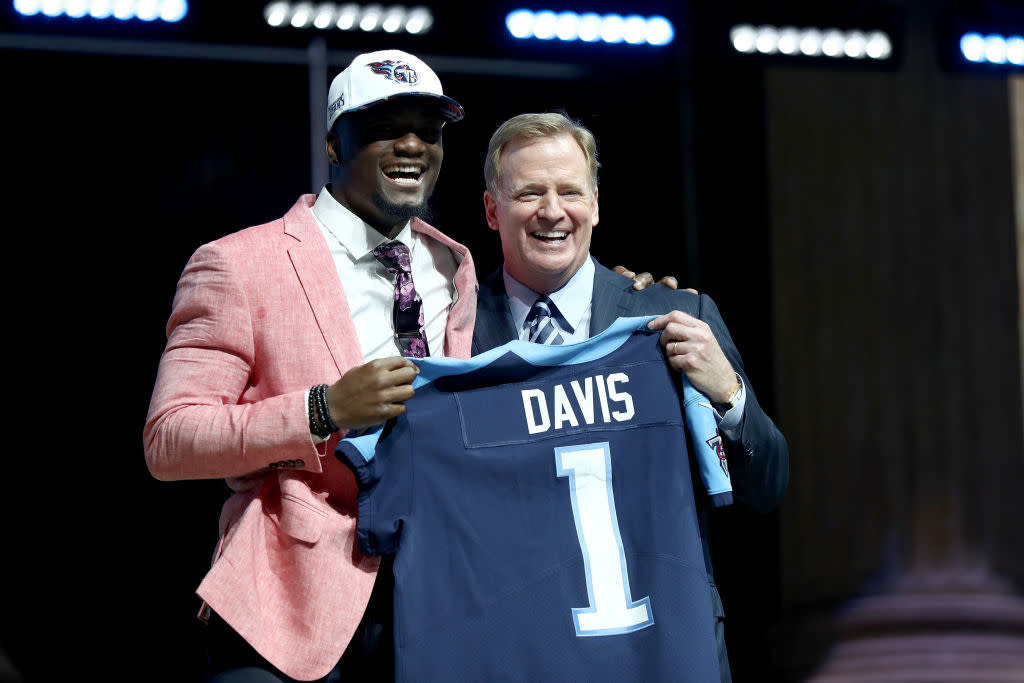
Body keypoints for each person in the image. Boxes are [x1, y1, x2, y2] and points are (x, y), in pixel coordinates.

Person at [143, 49, 478, 682]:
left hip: (437, 603)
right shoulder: (238, 264)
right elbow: (170, 440)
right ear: (333, 142)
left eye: (428, 131)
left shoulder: (456, 270)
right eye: (385, 125)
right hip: (287, 612)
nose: (412, 145)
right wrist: (323, 410)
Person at [472, 112, 790, 681]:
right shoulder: (456, 334)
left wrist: (728, 393)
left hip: (661, 648)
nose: (552, 211)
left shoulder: (675, 315)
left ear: (595, 204)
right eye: (529, 193)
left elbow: (768, 488)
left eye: (570, 191)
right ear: (493, 210)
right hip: (517, 651)